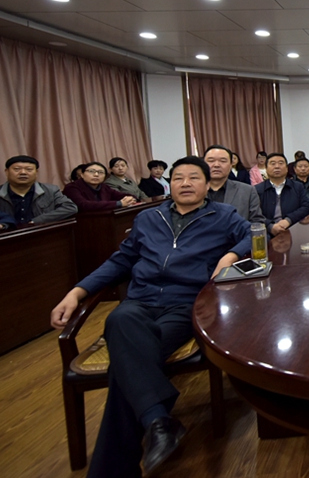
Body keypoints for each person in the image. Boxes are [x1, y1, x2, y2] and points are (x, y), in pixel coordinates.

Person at [49, 156, 251, 478]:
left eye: (194, 178)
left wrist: (231, 254)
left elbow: (256, 234)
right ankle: (157, 420)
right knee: (120, 320)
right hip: (140, 302)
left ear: (206, 185)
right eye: (178, 178)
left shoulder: (223, 215)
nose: (185, 183)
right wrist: (77, 292)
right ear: (170, 184)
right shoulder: (148, 217)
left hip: (186, 305)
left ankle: (123, 458)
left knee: (127, 360)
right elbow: (121, 260)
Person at [0, 155, 78, 225]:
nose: (23, 172)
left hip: (41, 235)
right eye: (17, 169)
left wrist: (37, 221)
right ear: (7, 172)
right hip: (6, 239)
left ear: (36, 172)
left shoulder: (51, 190)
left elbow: (70, 207)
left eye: (29, 169)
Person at [203, 146, 267, 224]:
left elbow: (257, 222)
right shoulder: (193, 190)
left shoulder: (248, 191)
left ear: (231, 165)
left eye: (223, 161)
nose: (216, 165)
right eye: (211, 160)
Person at [255, 153, 309, 236]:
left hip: (293, 229)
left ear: (286, 168)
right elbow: (254, 214)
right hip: (266, 232)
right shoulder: (257, 189)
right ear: (266, 168)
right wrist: (270, 226)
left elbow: (307, 207)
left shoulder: (297, 186)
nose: (277, 166)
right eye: (273, 163)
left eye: (281, 163)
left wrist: (289, 220)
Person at [64, 162, 139, 211]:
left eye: (100, 172)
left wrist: (131, 198)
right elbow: (83, 205)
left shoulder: (104, 187)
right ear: (82, 175)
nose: (96, 174)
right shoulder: (72, 187)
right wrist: (119, 203)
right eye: (91, 171)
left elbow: (122, 195)